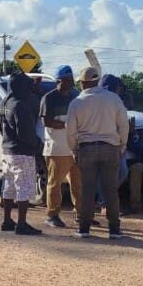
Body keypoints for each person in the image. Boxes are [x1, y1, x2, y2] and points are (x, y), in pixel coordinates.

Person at [66, 66, 129, 239]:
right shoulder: (114, 99)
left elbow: (70, 131)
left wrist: (74, 149)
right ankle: (114, 230)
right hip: (111, 148)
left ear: (83, 82)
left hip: (86, 149)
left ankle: (84, 228)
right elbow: (124, 125)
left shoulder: (77, 102)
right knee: (111, 190)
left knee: (88, 190)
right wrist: (122, 146)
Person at [0, 72, 41, 235]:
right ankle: (22, 224)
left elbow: (0, 128)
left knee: (9, 186)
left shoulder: (2, 103)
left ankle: (7, 220)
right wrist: (37, 143)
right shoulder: (20, 105)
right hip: (22, 152)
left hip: (7, 150)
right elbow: (25, 133)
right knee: (24, 187)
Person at [40, 65, 81, 228]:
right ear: (58, 80)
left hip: (74, 148)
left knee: (78, 183)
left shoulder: (75, 97)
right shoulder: (49, 98)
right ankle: (52, 214)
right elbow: (47, 121)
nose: (70, 83)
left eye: (71, 79)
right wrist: (68, 125)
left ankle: (81, 214)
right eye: (67, 80)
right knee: (55, 183)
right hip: (57, 148)